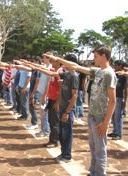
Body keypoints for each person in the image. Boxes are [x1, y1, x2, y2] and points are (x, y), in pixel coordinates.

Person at [45, 45, 117, 176]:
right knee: (93, 147)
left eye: (95, 56)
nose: (93, 59)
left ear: (103, 56)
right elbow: (76, 66)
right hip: (93, 115)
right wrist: (58, 59)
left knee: (100, 150)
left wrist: (106, 123)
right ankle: (93, 171)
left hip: (101, 117)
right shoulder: (98, 71)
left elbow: (112, 101)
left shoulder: (109, 74)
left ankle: (100, 173)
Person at [108, 60, 127, 140]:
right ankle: (115, 131)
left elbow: (126, 88)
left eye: (116, 65)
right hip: (113, 97)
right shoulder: (116, 74)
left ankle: (118, 133)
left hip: (119, 98)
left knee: (118, 116)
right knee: (113, 116)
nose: (114, 66)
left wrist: (125, 100)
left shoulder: (124, 76)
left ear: (120, 66)